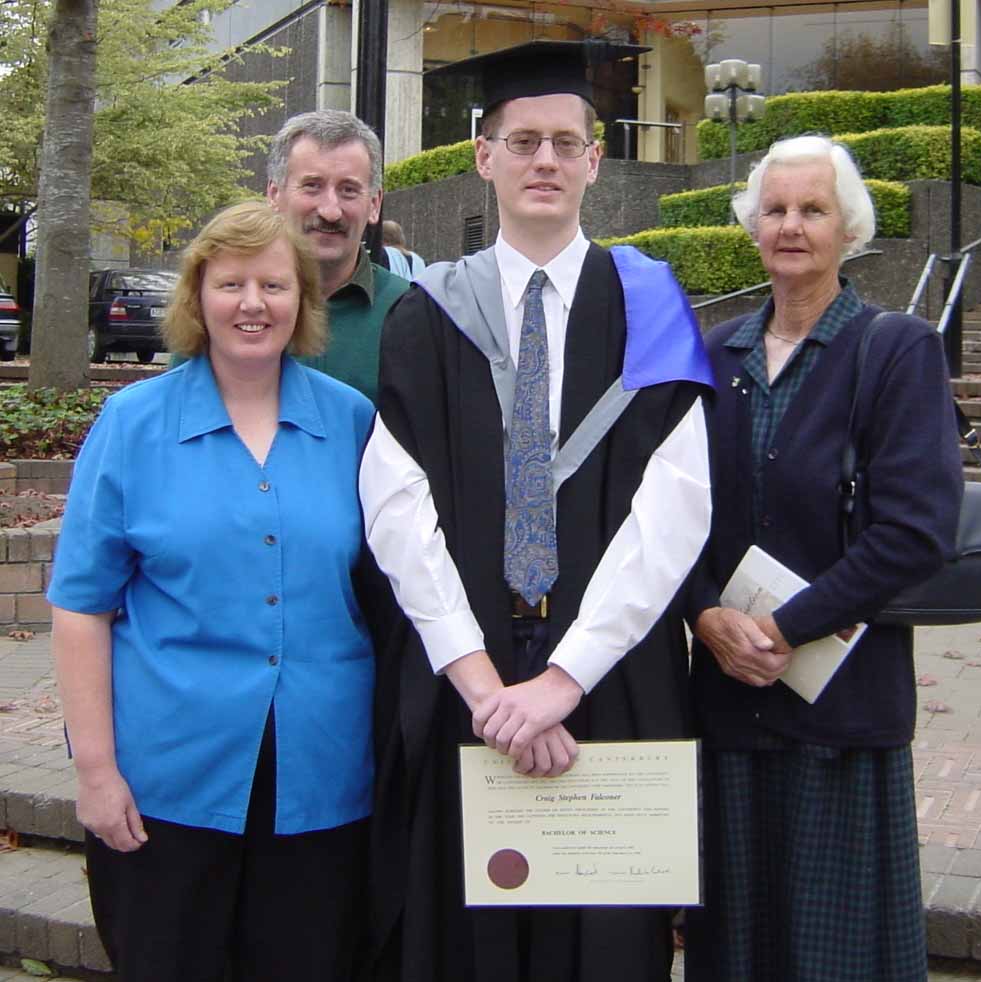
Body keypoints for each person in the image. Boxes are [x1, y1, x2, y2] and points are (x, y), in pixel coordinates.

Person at [358, 39, 714, 982]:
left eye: (565, 142)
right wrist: (486, 688)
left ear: (596, 161)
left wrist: (561, 682)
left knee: (606, 941)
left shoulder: (653, 305)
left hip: (613, 678)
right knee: (462, 933)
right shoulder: (428, 312)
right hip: (464, 679)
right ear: (484, 157)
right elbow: (398, 511)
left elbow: (674, 514)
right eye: (523, 142)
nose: (545, 160)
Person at [48, 201, 378, 982]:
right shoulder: (132, 423)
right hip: (170, 778)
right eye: (231, 284)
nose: (253, 304)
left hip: (324, 774)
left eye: (274, 285)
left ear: (303, 300)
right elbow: (80, 608)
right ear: (198, 297)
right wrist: (96, 772)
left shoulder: (354, 425)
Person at [684, 135, 963, 981]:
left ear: (850, 229)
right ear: (752, 227)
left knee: (835, 954)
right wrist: (703, 613)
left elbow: (915, 530)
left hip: (840, 709)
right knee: (735, 949)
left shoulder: (896, 349)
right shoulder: (713, 354)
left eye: (813, 210)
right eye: (775, 209)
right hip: (729, 705)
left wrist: (781, 627)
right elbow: (668, 518)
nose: (792, 226)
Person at [266, 110, 409, 401]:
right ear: (274, 195)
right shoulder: (230, 309)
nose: (330, 211)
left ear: (374, 204)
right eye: (312, 186)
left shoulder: (412, 312)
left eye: (348, 190)